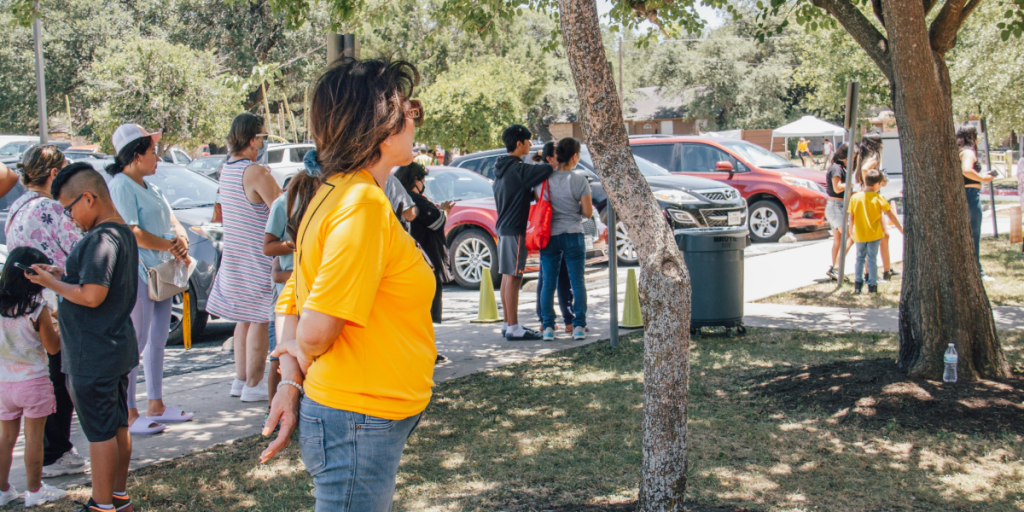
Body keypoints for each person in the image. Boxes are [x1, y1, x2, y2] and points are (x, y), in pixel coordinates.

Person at [260, 57, 436, 512]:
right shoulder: (360, 204)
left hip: (360, 415)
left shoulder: (336, 192)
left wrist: (289, 381)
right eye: (408, 108)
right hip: (358, 417)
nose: (415, 118)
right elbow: (315, 328)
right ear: (379, 124)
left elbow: (292, 298)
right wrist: (294, 370)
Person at [26, 162, 139, 512]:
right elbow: (93, 281)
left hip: (94, 353)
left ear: (89, 198)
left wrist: (51, 284)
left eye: (69, 207)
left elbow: (92, 295)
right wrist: (64, 274)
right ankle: (117, 498)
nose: (68, 216)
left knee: (101, 433)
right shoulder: (120, 233)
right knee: (117, 426)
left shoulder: (101, 238)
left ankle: (101, 505)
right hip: (113, 347)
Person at [3, 145, 88, 478]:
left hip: (29, 304)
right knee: (58, 378)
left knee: (43, 375)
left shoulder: (16, 208)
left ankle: (47, 452)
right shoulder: (52, 208)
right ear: (54, 175)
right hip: (58, 304)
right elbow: (79, 249)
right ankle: (56, 452)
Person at [106, 124, 194, 436]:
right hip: (140, 274)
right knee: (137, 341)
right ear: (134, 154)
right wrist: (172, 245)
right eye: (152, 151)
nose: (157, 156)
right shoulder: (121, 186)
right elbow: (133, 232)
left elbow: (171, 219)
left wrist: (180, 236)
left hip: (162, 274)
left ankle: (155, 403)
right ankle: (129, 413)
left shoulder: (148, 186)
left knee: (157, 341)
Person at [206, 113, 282, 402]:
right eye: (262, 137)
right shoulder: (255, 172)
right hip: (258, 257)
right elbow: (280, 206)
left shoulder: (228, 170)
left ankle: (241, 380)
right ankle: (254, 383)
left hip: (237, 255)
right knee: (261, 319)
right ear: (252, 140)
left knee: (244, 320)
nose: (264, 142)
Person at [0, 247, 67, 507]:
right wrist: (61, 326)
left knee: (5, 439)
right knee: (34, 439)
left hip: (4, 384)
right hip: (34, 383)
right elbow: (53, 348)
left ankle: (3, 490)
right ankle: (35, 491)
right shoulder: (37, 309)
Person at [493, 125, 554, 341]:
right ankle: (514, 327)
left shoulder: (502, 168)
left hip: (502, 228)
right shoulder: (517, 168)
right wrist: (549, 162)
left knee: (507, 277)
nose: (530, 145)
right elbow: (543, 171)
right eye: (528, 142)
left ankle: (508, 324)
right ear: (519, 143)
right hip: (514, 229)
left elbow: (520, 190)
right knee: (515, 278)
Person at [536, 138, 592, 341]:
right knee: (577, 282)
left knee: (548, 283)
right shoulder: (580, 180)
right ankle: (578, 326)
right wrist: (573, 208)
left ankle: (548, 327)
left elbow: (540, 205)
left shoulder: (544, 180)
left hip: (549, 236)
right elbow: (587, 213)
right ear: (575, 156)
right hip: (573, 235)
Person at [394, 162, 454, 324]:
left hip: (410, 259)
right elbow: (437, 221)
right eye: (422, 180)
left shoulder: (401, 197)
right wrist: (445, 211)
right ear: (415, 179)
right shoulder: (415, 200)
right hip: (427, 259)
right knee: (429, 310)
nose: (424, 185)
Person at [533, 142, 576, 332]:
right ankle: (548, 319)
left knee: (558, 277)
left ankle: (562, 319)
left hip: (556, 231)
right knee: (548, 278)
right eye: (559, 155)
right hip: (549, 232)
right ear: (550, 159)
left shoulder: (562, 177)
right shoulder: (544, 178)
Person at [262, 181, 296, 408]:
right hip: (288, 299)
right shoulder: (283, 204)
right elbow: (270, 251)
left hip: (312, 294)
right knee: (279, 355)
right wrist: (293, 244)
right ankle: (272, 408)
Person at [849, 169, 904, 294]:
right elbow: (891, 215)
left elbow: (851, 218)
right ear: (878, 184)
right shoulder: (879, 198)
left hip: (859, 234)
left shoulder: (855, 198)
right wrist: (901, 229)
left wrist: (851, 232)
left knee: (860, 258)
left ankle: (858, 284)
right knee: (872, 259)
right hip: (874, 234)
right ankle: (872, 285)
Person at [855, 133, 898, 281]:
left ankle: (886, 270)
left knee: (883, 236)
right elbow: (866, 170)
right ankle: (871, 274)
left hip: (868, 199)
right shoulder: (872, 159)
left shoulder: (864, 158)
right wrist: (875, 182)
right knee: (878, 237)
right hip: (871, 200)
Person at [957, 124, 996, 282]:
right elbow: (966, 170)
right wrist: (984, 178)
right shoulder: (968, 152)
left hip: (963, 195)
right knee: (974, 234)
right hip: (971, 195)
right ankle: (977, 272)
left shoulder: (959, 151)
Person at [824, 143, 852, 281]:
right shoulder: (836, 168)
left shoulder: (841, 168)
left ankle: (834, 269)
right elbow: (837, 187)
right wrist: (852, 184)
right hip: (836, 206)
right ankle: (836, 269)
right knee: (850, 237)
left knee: (838, 240)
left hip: (836, 207)